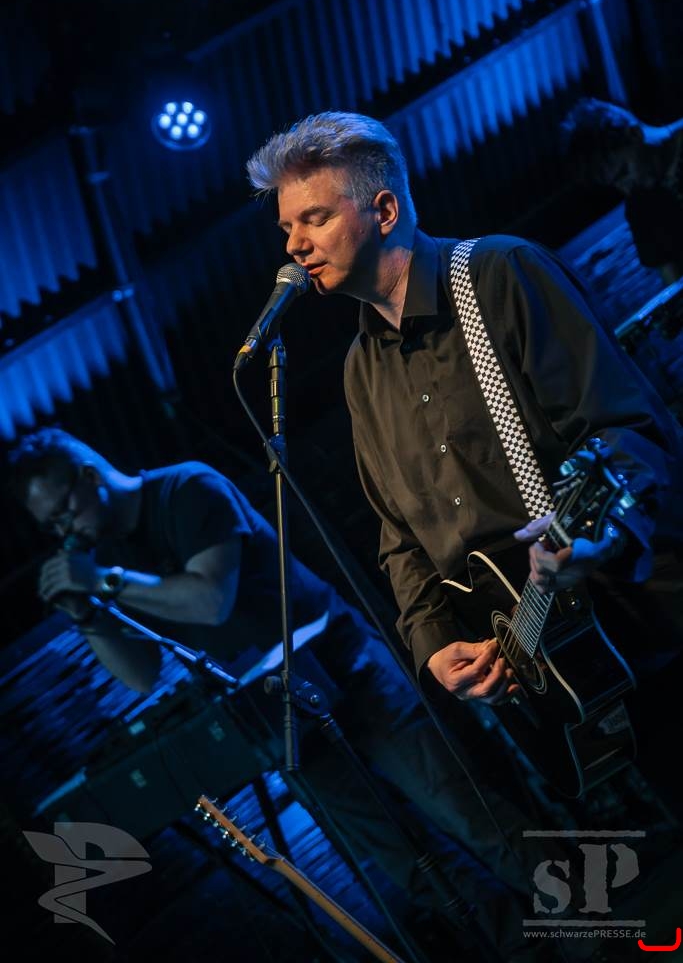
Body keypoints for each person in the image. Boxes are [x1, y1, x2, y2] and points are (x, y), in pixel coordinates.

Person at [245, 110, 683, 826]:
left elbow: (625, 427)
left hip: (642, 614)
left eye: (314, 219)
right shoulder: (360, 374)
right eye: (287, 228)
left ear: (384, 210)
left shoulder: (500, 274)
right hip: (552, 669)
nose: (294, 245)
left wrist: (603, 534)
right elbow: (399, 540)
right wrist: (435, 645)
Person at [9, 426, 574, 963]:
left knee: (467, 813)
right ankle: (524, 952)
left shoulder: (186, 488)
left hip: (347, 672)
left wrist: (103, 582)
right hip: (280, 721)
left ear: (88, 476)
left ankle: (587, 922)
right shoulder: (110, 559)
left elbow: (211, 601)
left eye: (63, 511)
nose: (65, 531)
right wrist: (86, 613)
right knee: (408, 865)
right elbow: (138, 673)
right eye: (51, 525)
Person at [560, 97, 683, 283]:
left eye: (624, 172)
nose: (626, 188)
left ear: (634, 134)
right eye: (616, 184)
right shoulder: (641, 207)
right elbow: (672, 282)